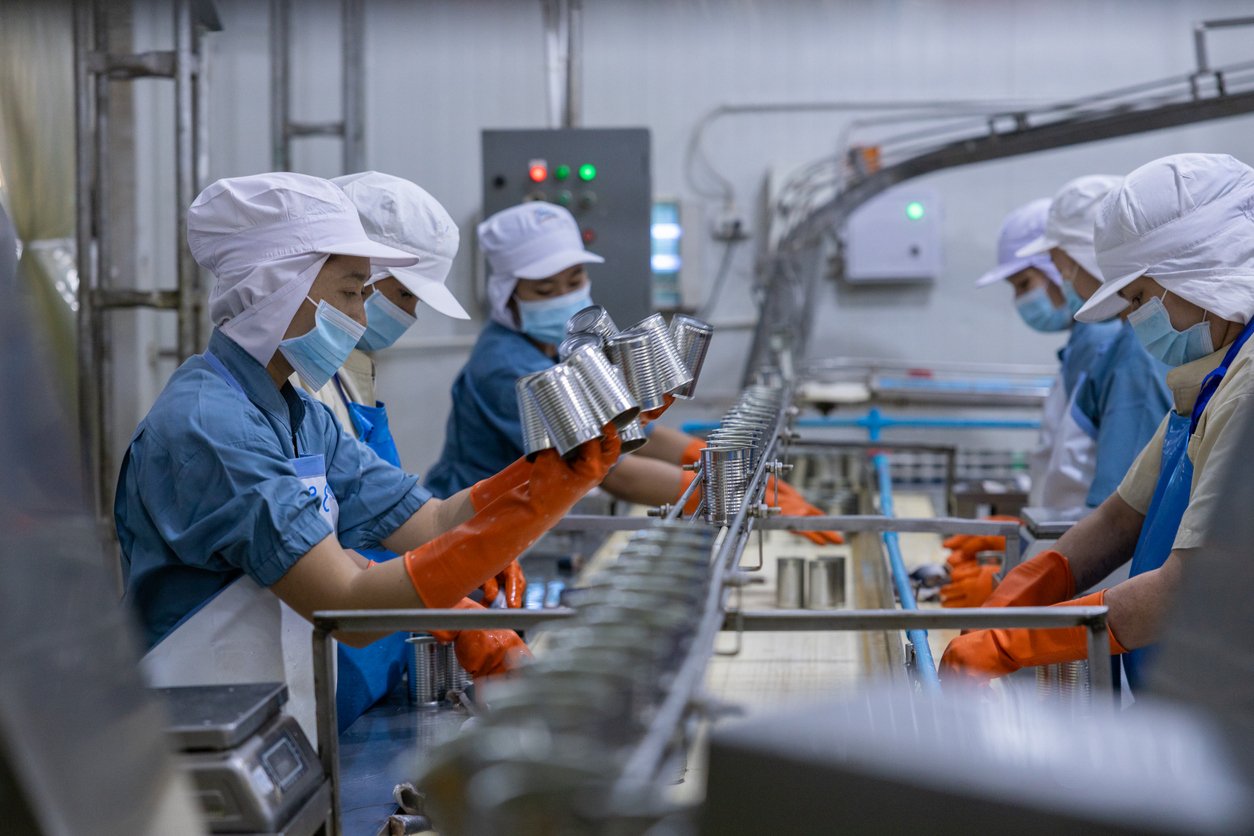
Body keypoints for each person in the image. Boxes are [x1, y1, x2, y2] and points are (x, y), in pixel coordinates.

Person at [115, 173, 619, 741]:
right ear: (277, 286)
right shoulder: (212, 428)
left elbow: (426, 522)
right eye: (352, 292)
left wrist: (545, 475)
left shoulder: (298, 412)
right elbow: (346, 607)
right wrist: (526, 514)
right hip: (197, 739)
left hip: (274, 718)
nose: (359, 319)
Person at [940, 153, 1254, 689]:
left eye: (1139, 297)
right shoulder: (1209, 382)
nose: (1134, 319)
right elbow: (1118, 519)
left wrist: (1015, 641)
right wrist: (1021, 591)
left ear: (1196, 270)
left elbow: (1191, 586)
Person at [424, 201, 840, 544]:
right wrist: (731, 494)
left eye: (575, 280)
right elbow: (610, 470)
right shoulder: (507, 368)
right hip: (463, 533)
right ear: (505, 295)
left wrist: (710, 458)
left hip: (506, 529)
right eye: (545, 291)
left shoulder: (556, 348)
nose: (567, 297)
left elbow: (623, 431)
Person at [943, 178, 1171, 607]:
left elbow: (1119, 520)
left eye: (1063, 267)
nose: (1064, 280)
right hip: (1080, 579)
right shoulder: (1116, 348)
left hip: (1100, 595)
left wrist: (1014, 590)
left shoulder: (1135, 357)